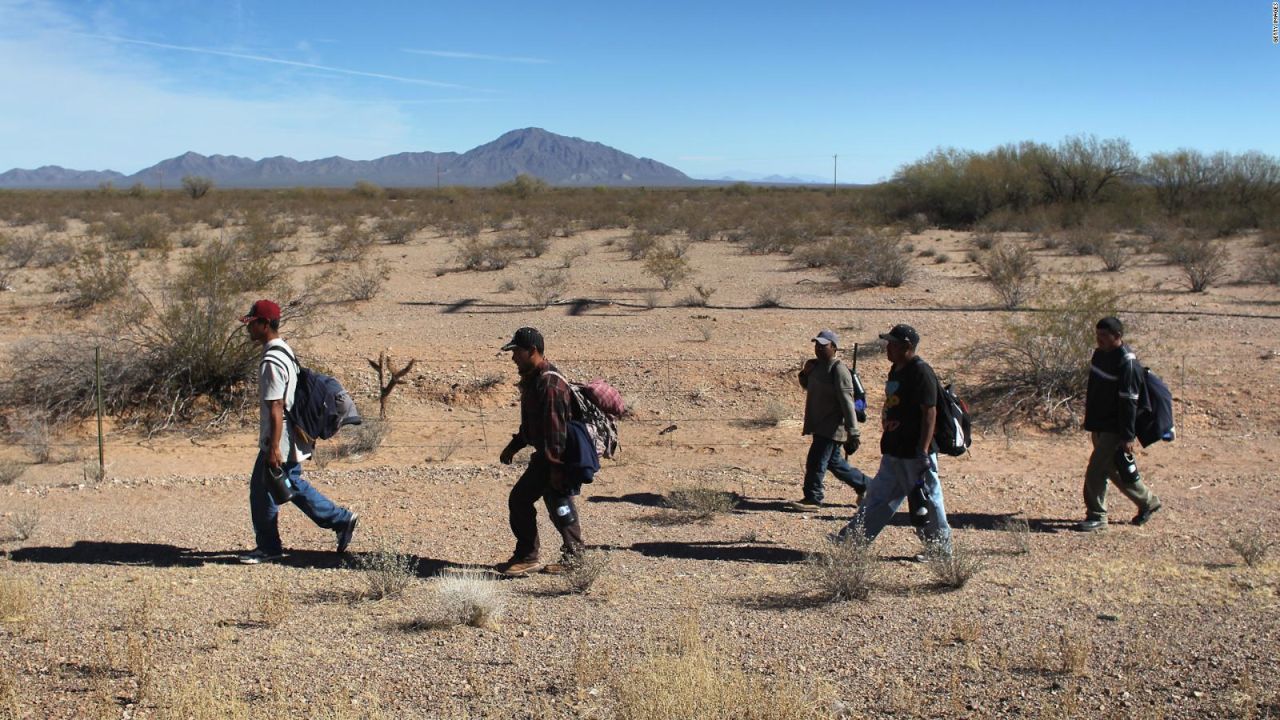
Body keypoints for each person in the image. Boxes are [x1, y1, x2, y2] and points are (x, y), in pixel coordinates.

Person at [238, 300, 358, 564]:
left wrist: (273, 448)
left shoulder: (271, 360)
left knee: (266, 489)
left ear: (265, 324)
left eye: (253, 323)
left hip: (282, 438)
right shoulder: (284, 350)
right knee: (287, 485)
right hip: (292, 434)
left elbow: (277, 407)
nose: (249, 328)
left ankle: (271, 546)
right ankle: (339, 519)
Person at [835, 324, 951, 555]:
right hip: (895, 448)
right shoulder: (896, 369)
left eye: (893, 344)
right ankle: (853, 540)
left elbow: (930, 412)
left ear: (907, 347)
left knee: (927, 499)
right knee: (879, 496)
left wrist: (923, 450)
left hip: (915, 451)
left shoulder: (921, 372)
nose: (887, 347)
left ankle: (940, 550)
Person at [496, 327, 585, 577]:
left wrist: (556, 467)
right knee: (559, 504)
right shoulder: (535, 379)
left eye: (517, 352)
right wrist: (514, 446)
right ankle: (575, 556)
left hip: (555, 456)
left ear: (532, 351)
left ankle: (528, 556)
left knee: (521, 499)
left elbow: (555, 431)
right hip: (551, 455)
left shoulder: (549, 384)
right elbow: (534, 424)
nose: (514, 358)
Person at [1077, 317, 1162, 531]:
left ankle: (1097, 517)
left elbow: (1129, 404)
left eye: (1104, 336)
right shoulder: (1100, 355)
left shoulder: (1128, 364)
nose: (1099, 340)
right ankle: (1148, 502)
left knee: (1096, 471)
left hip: (1115, 428)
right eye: (1097, 336)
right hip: (1099, 424)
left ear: (1118, 336)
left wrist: (1127, 436)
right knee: (1114, 469)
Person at [791, 329, 868, 510]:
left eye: (823, 345)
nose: (818, 348)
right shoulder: (816, 366)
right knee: (836, 464)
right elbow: (807, 386)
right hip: (819, 424)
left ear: (834, 348)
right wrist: (804, 373)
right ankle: (867, 485)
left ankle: (813, 497)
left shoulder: (839, 370)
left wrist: (853, 432)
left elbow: (847, 403)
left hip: (832, 426)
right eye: (816, 345)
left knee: (816, 461)